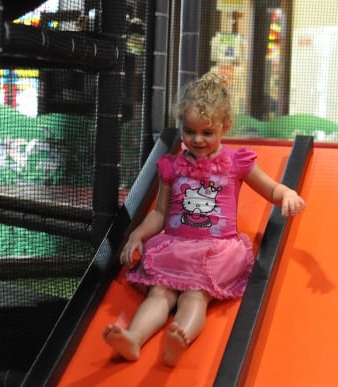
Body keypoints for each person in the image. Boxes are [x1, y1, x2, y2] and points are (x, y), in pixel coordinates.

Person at [103, 72, 306, 367]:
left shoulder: (236, 163)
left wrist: (287, 194)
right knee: (159, 292)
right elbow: (160, 213)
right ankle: (134, 338)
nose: (197, 140)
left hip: (215, 252)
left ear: (225, 127)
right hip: (175, 248)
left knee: (195, 295)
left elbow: (271, 188)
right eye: (189, 132)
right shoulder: (172, 166)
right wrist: (139, 235)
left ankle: (180, 337)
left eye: (207, 133)